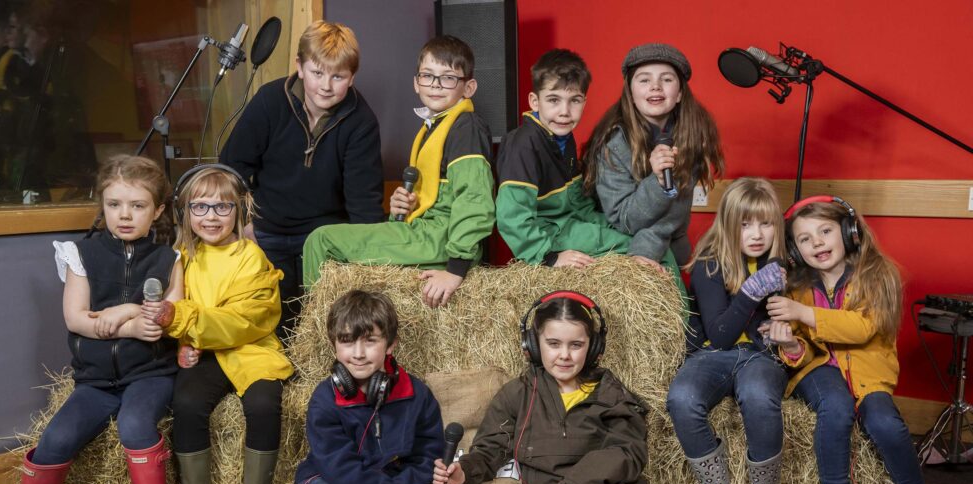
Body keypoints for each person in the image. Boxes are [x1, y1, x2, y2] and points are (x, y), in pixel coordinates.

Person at [434, 292, 760, 484]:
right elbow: (491, 447)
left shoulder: (606, 388)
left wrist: (580, 483)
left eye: (576, 345)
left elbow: (629, 450)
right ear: (533, 345)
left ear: (592, 348)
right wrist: (465, 471)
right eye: (553, 344)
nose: (564, 355)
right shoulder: (516, 394)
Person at [0, 155, 183, 484]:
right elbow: (77, 319)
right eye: (114, 204)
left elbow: (163, 317)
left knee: (136, 425)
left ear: (157, 210)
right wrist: (130, 322)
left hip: (150, 374)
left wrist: (117, 315)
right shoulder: (79, 254)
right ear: (101, 205)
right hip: (94, 381)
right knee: (55, 439)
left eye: (138, 206)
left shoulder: (170, 260)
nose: (124, 215)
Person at [150, 289, 450, 484]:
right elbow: (340, 469)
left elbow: (426, 462)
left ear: (391, 345)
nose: (358, 353)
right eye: (347, 341)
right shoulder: (325, 398)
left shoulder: (417, 396)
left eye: (370, 341)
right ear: (334, 344)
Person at [766, 195, 944, 484]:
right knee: (836, 406)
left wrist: (804, 312)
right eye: (804, 239)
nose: (816, 243)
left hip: (868, 375)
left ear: (849, 232)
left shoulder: (878, 276)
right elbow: (797, 345)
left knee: (884, 422)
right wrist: (791, 345)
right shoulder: (797, 286)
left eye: (825, 231)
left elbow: (863, 328)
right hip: (819, 370)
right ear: (795, 250)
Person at [141, 164, 293, 484]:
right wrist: (183, 343)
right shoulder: (179, 257)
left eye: (223, 208)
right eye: (201, 207)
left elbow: (248, 319)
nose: (211, 217)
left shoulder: (251, 256)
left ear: (238, 211)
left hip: (250, 350)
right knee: (187, 404)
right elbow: (168, 310)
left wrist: (186, 321)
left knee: (263, 403)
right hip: (203, 353)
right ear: (185, 213)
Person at [302, 35, 495, 309]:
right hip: (425, 231)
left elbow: (475, 200)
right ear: (416, 82)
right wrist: (402, 207)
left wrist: (455, 269)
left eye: (449, 78)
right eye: (428, 76)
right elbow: (438, 196)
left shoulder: (466, 128)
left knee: (321, 241)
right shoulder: (434, 126)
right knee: (323, 238)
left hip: (441, 239)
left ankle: (321, 336)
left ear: (469, 87)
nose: (436, 85)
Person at [220, 20, 385, 331]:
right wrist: (242, 224)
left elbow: (364, 202)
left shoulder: (361, 121)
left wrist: (365, 265)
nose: (325, 85)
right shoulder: (270, 101)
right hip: (265, 232)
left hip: (324, 238)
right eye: (317, 73)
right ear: (299, 66)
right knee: (273, 324)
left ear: (352, 77)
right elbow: (231, 168)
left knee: (320, 326)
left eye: (338, 76)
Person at [665, 177, 788, 484]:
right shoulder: (710, 262)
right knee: (682, 398)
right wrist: (753, 291)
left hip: (759, 357)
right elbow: (719, 334)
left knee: (758, 397)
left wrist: (775, 321)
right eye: (745, 224)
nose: (756, 234)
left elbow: (778, 324)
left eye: (766, 224)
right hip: (714, 353)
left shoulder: (781, 264)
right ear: (728, 225)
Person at [581, 43, 724, 293]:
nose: (655, 86)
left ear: (679, 93)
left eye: (666, 79)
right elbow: (624, 220)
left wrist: (654, 244)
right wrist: (657, 181)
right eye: (644, 80)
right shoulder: (613, 144)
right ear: (630, 92)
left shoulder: (690, 134)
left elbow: (676, 212)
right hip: (618, 244)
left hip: (664, 244)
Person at [495, 49, 636, 268]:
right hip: (550, 233)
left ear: (584, 102)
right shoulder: (523, 144)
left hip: (571, 223)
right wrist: (549, 257)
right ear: (534, 101)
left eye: (575, 101)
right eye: (553, 100)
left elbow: (576, 200)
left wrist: (604, 223)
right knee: (639, 246)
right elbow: (512, 217)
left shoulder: (563, 137)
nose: (565, 111)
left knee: (639, 232)